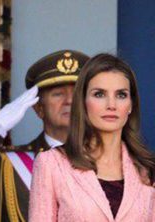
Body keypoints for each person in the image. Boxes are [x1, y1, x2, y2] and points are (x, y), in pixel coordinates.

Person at [0, 50, 89, 221]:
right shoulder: (11, 166)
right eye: (58, 94)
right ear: (39, 108)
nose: (69, 100)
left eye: (78, 94)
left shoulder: (111, 160)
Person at [29, 53, 155, 221]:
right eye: (99, 94)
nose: (111, 105)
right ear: (82, 101)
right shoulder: (51, 164)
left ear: (131, 105)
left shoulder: (148, 169)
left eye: (121, 95)